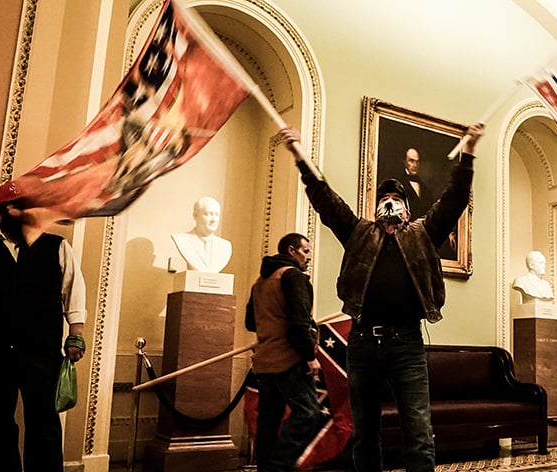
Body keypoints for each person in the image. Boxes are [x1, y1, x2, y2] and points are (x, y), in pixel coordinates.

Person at [277, 121, 484, 472]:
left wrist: (468, 151)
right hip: (361, 344)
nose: (390, 203)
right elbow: (325, 199)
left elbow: (454, 200)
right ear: (376, 208)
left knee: (419, 433)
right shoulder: (358, 232)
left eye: (396, 200)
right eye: (384, 199)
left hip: (406, 344)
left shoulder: (422, 233)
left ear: (406, 209)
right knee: (365, 433)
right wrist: (299, 154)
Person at [0, 197, 87, 472]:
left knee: (44, 423)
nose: (14, 213)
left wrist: (76, 333)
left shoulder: (57, 246)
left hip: (42, 352)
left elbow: (74, 290)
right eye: (7, 208)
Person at [245, 232, 320, 472]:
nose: (308, 257)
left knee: (268, 422)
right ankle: (279, 467)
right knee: (309, 414)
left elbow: (250, 323)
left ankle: (266, 469)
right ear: (291, 250)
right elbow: (299, 324)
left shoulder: (260, 282)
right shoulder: (293, 276)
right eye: (305, 251)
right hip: (290, 360)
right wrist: (310, 357)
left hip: (265, 362)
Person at [170, 196, 232, 273]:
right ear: (195, 215)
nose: (213, 220)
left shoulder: (225, 246)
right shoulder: (182, 240)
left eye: (216, 215)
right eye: (208, 214)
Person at [399, 147, 434, 218]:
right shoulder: (399, 184)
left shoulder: (425, 189)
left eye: (417, 161)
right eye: (411, 161)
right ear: (405, 162)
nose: (415, 165)